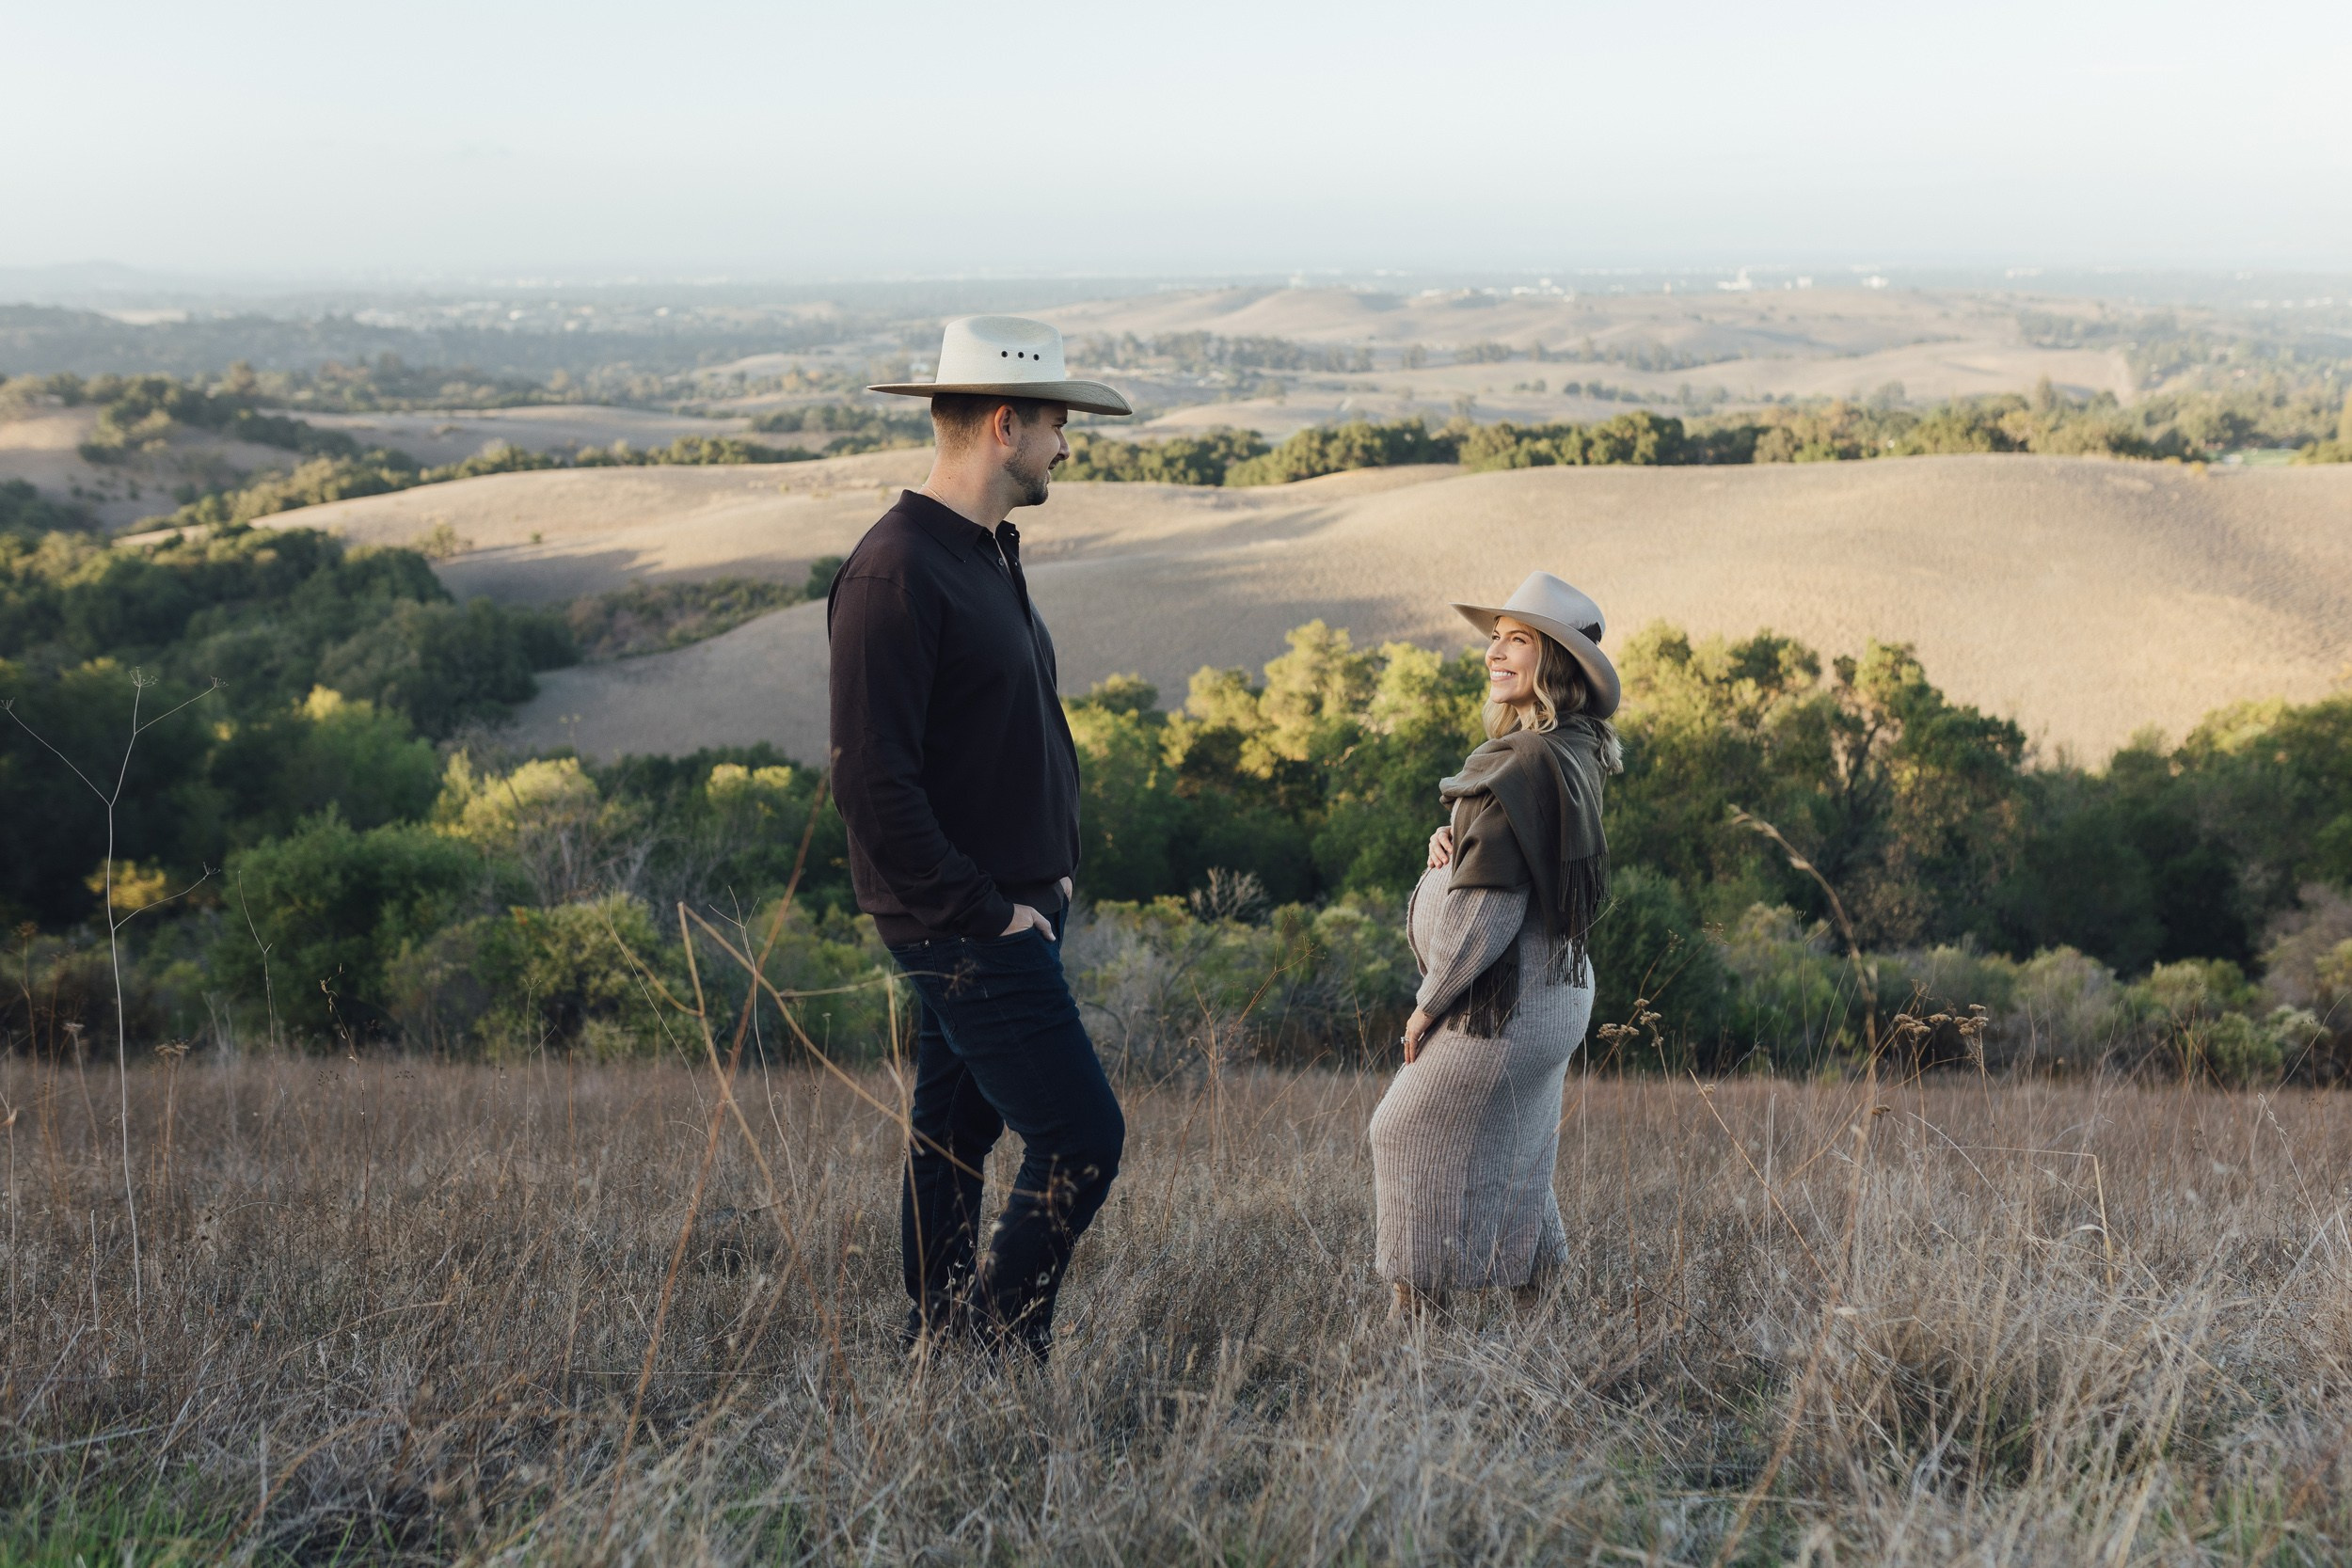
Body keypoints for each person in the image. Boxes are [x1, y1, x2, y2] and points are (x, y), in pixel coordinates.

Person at [830, 315, 1134, 1360]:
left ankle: (935, 1339)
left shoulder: (979, 553)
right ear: (1005, 424)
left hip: (1004, 908)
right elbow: (872, 783)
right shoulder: (897, 570)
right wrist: (984, 910)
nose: (1065, 445)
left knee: (952, 1138)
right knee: (1084, 1135)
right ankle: (994, 1346)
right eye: (1056, 423)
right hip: (966, 920)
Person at [1367, 570, 1623, 1318]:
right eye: (1495, 638)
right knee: (1517, 1155)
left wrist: (1427, 1005)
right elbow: (1520, 866)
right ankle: (1542, 1324)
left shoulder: (1515, 765)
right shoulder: (1568, 752)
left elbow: (1486, 913)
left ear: (1556, 663)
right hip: (1555, 995)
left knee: (1402, 1131)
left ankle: (1418, 1332)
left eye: (1518, 640)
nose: (1495, 652)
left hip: (1501, 1005)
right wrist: (1457, 840)